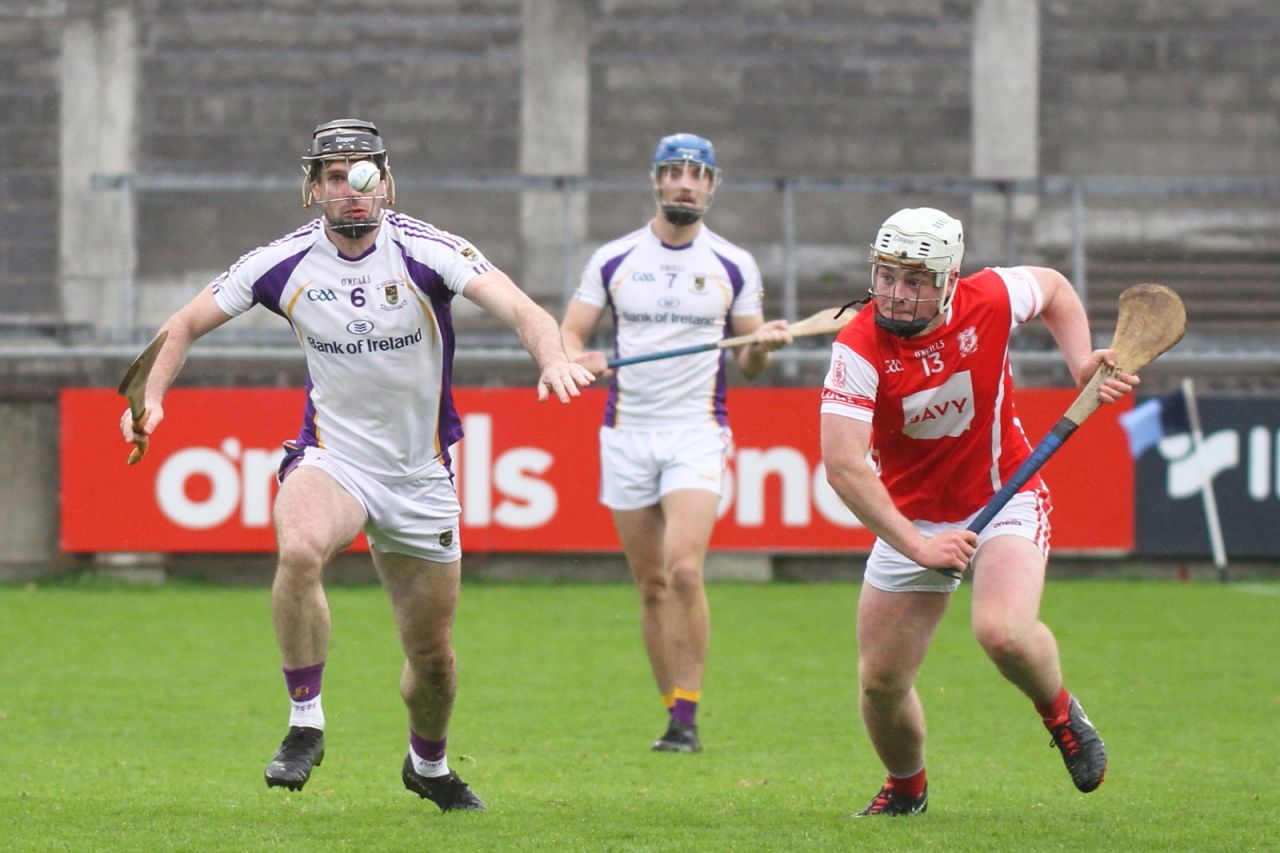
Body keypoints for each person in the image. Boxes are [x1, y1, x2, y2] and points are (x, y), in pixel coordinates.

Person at [119, 119, 594, 811]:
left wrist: (551, 356)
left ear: (386, 182)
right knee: (301, 545)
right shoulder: (280, 262)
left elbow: (523, 308)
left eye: (365, 173)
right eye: (335, 177)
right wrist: (150, 396)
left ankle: (427, 764)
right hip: (334, 458)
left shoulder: (429, 252)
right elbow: (184, 323)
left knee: (433, 661)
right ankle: (304, 720)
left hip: (419, 474)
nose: (352, 190)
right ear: (313, 190)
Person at [819, 207, 1136, 816]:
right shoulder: (857, 347)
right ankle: (906, 788)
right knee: (881, 683)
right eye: (887, 276)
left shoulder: (988, 297)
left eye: (915, 281)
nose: (897, 294)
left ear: (949, 280)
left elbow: (1054, 288)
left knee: (1004, 633)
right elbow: (844, 466)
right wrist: (917, 544)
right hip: (913, 520)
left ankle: (1061, 714)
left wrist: (1079, 361)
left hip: (1005, 493)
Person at [560, 132, 792, 753]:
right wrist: (586, 361)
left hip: (696, 432)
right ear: (656, 181)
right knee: (651, 585)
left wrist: (761, 347)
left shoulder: (734, 264)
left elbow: (747, 362)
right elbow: (568, 339)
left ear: (712, 186)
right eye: (674, 171)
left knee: (684, 569)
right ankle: (673, 715)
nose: (686, 182)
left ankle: (689, 714)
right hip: (627, 433)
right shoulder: (613, 259)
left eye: (698, 173)